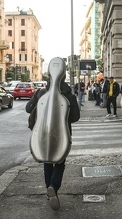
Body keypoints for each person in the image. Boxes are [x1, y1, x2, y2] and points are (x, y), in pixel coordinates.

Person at [26, 76, 80, 211]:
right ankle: (53, 187)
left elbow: (28, 108)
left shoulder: (42, 92)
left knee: (47, 161)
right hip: (62, 133)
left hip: (43, 133)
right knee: (60, 161)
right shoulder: (68, 95)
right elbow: (75, 117)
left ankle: (49, 190)